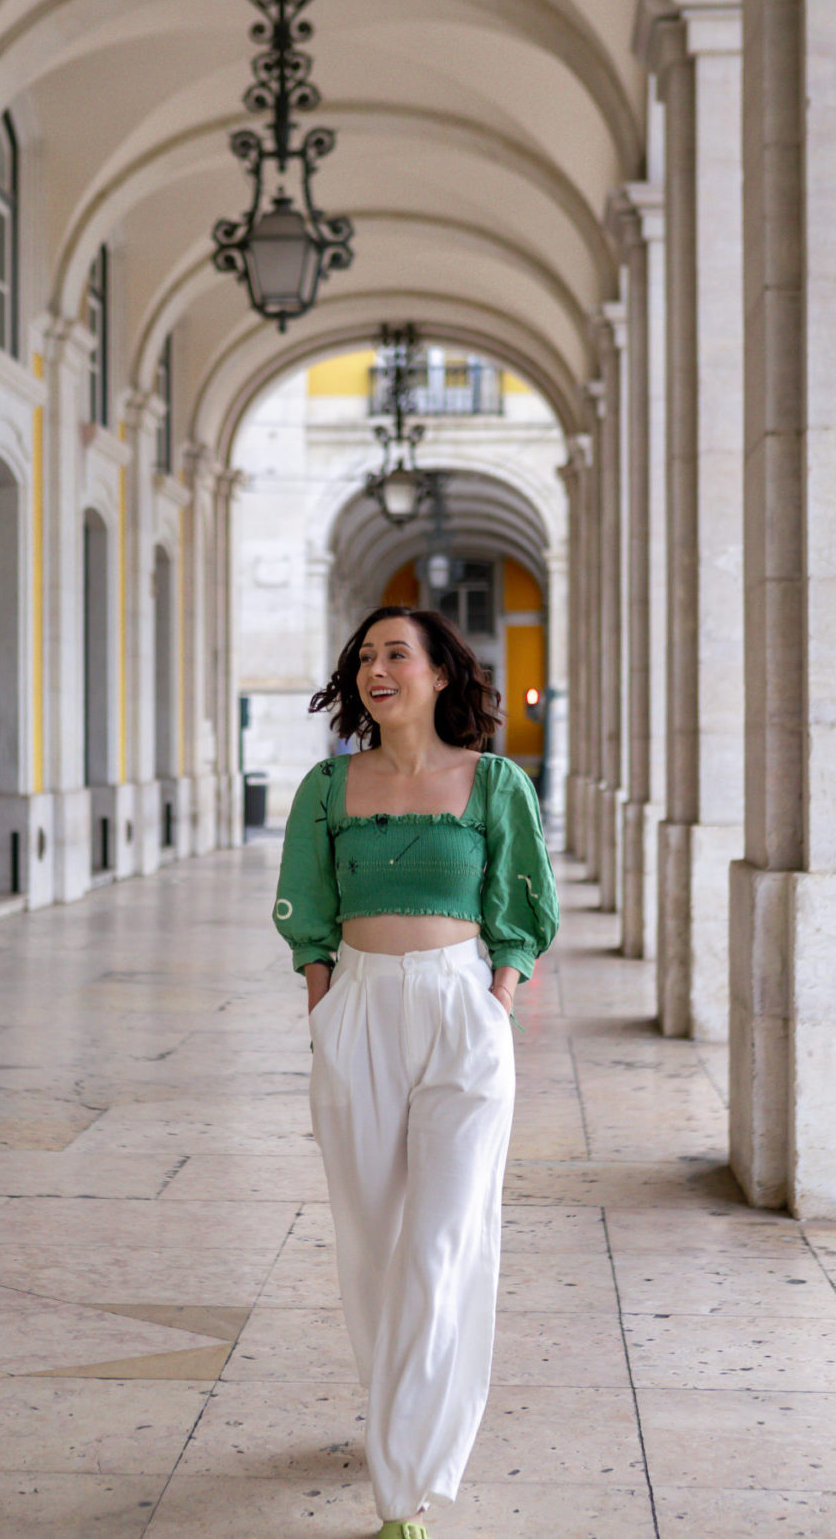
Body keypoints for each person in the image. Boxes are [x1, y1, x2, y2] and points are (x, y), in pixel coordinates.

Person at [272, 605, 559, 1539]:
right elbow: (307, 908)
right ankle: (397, 1412)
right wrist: (325, 1004)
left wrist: (497, 997)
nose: (375, 668)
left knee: (441, 1245)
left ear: (441, 674)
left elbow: (524, 906)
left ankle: (404, 1487)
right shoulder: (325, 786)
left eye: (396, 653)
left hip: (460, 1012)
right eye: (364, 656)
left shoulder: (494, 784)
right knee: (370, 1242)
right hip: (355, 1009)